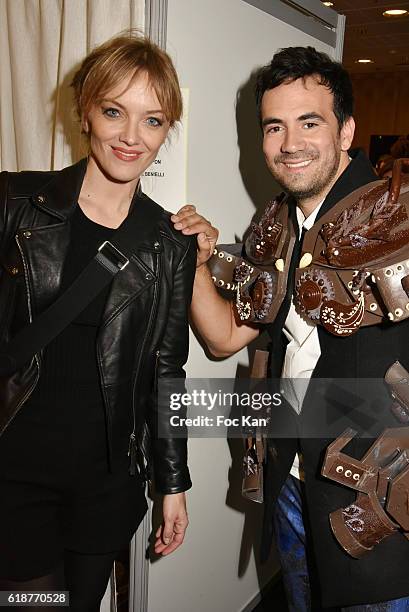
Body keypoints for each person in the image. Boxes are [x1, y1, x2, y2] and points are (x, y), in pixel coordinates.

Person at [172, 47, 409, 610]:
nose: (290, 144)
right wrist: (197, 263)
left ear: (347, 130)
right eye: (274, 127)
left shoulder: (399, 220)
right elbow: (225, 336)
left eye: (310, 122)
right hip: (291, 487)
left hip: (379, 507)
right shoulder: (275, 226)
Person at [0, 33, 195, 611]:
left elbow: (167, 370)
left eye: (153, 120)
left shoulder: (168, 244)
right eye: (115, 112)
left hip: (105, 481)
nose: (132, 137)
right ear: (85, 110)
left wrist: (174, 484)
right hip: (16, 473)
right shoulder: (17, 203)